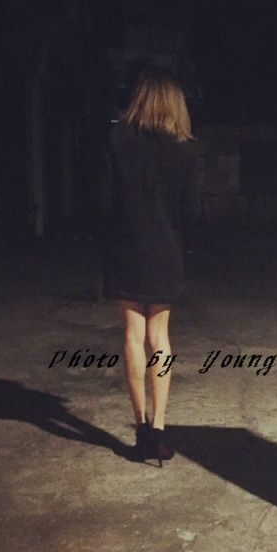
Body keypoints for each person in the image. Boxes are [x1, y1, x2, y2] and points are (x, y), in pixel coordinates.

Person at [98, 66, 201, 466]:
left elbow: (102, 202)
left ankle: (140, 426)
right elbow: (191, 210)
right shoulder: (185, 149)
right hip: (166, 252)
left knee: (132, 334)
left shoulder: (116, 140)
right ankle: (158, 429)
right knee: (160, 337)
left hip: (125, 249)